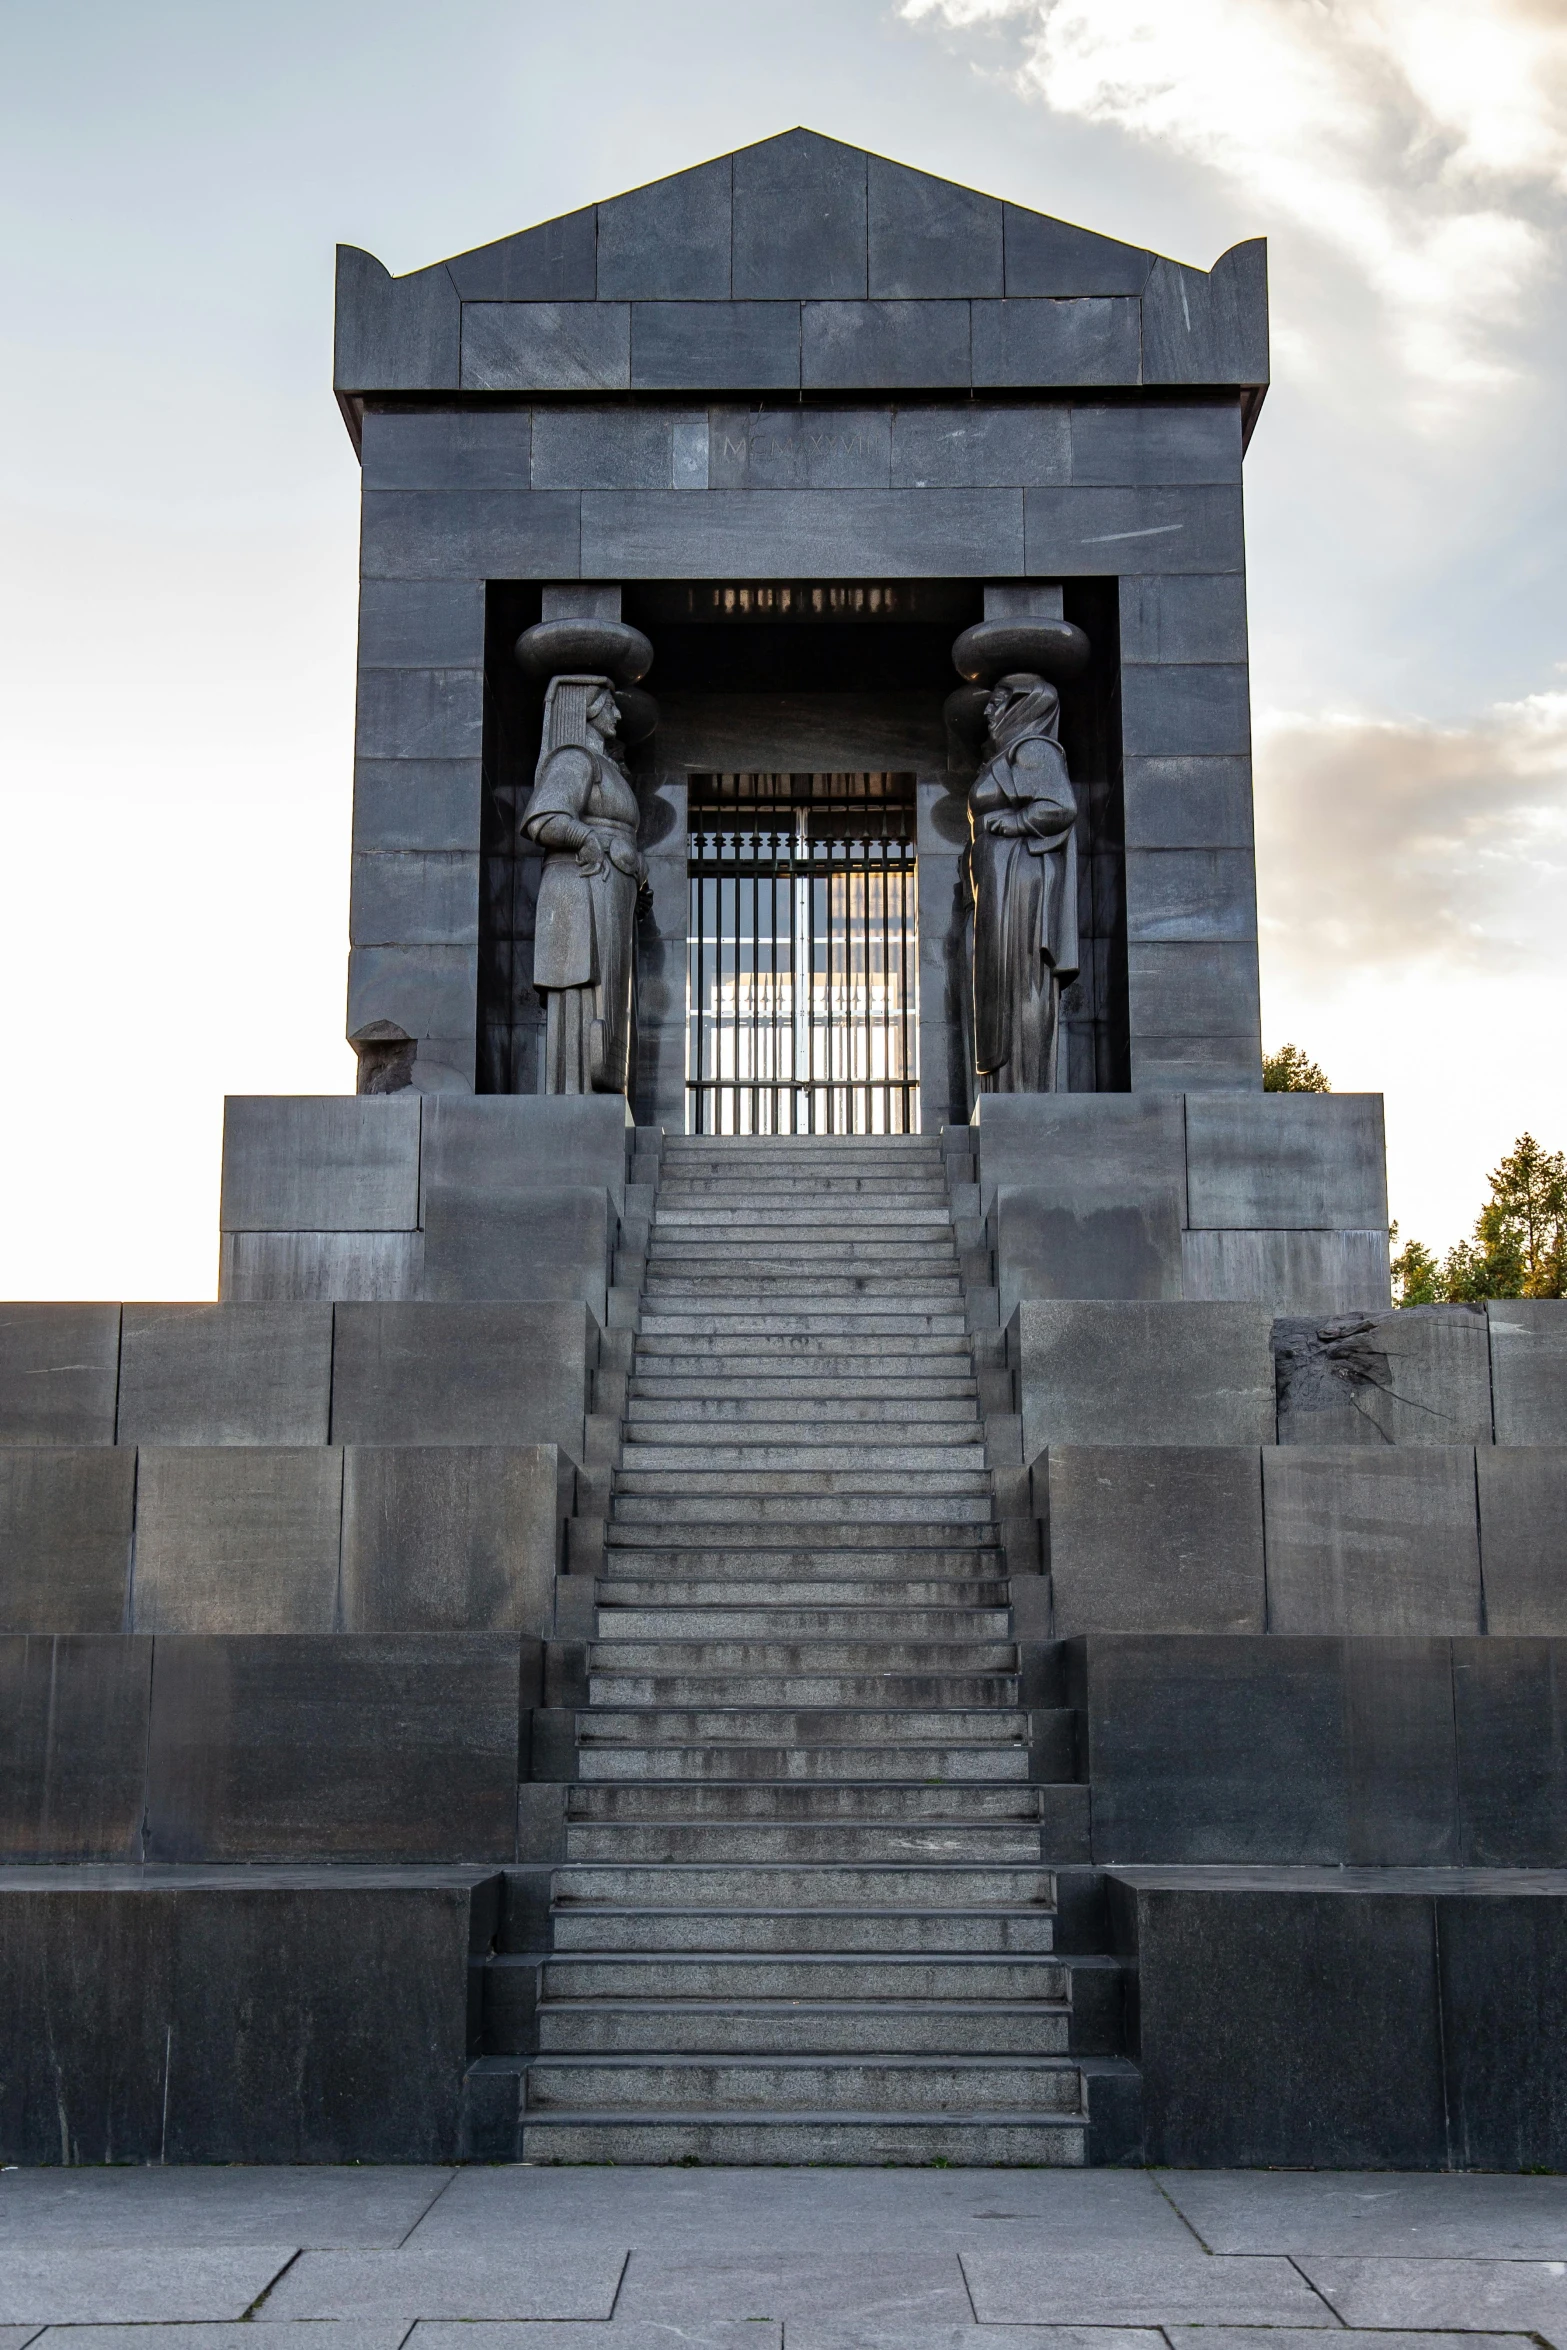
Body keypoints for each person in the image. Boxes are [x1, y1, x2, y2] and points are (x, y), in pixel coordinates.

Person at [521, 672, 646, 1095]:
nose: (616, 712)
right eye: (607, 704)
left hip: (612, 891)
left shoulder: (609, 767)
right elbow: (544, 818)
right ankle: (574, 1094)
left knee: (609, 1007)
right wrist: (585, 837)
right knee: (583, 999)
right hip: (585, 889)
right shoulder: (575, 758)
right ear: (587, 711)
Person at [966, 669, 1080, 1093]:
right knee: (1000, 983)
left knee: (1020, 980)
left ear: (1024, 705)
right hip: (998, 880)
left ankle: (1025, 1088)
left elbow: (1059, 807)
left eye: (999, 699)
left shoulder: (1032, 747)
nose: (989, 708)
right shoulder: (1005, 755)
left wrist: (1014, 822)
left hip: (1019, 878)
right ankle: (1006, 1086)